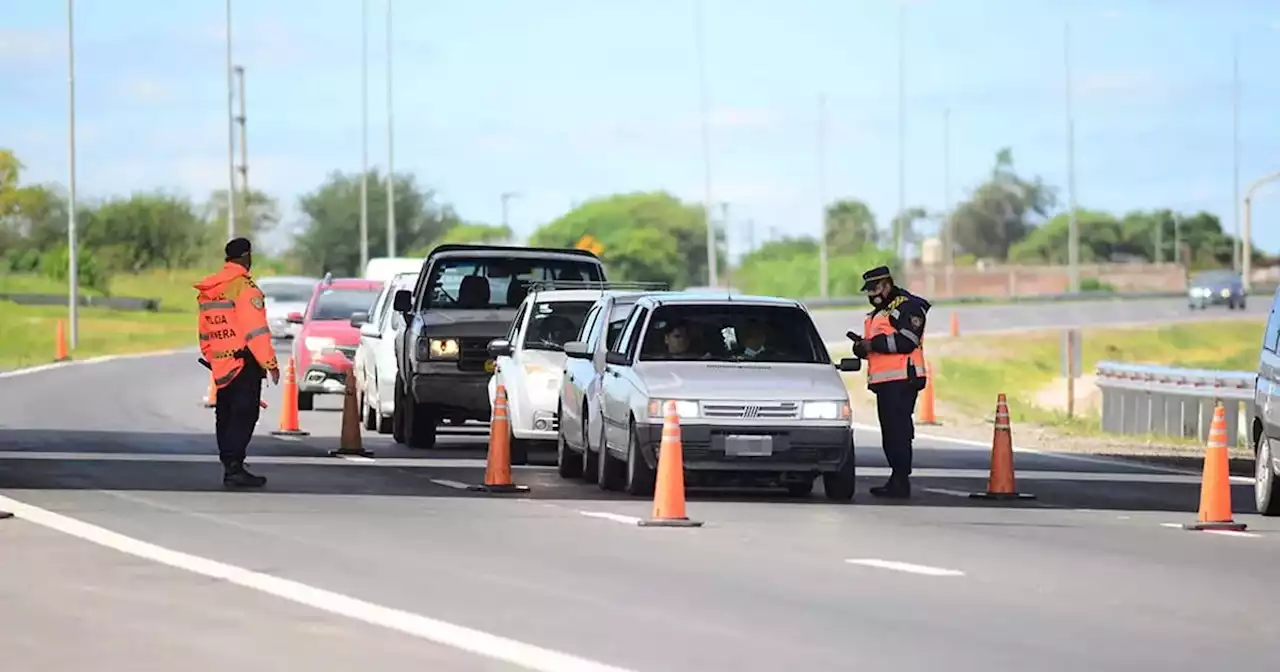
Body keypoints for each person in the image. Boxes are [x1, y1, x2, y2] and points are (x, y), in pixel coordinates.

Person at [194, 237, 281, 488]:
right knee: (244, 414)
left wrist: (212, 355)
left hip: (221, 364)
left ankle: (230, 465)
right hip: (244, 364)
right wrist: (269, 362)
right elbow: (256, 330)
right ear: (245, 257)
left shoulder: (211, 288)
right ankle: (234, 467)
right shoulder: (244, 288)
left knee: (226, 414)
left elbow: (204, 329)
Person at [847, 265, 931, 498]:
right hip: (887, 382)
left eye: (875, 290)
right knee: (891, 432)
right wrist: (862, 347)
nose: (872, 296)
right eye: (869, 292)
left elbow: (907, 340)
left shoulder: (906, 306)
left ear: (887, 285)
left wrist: (873, 344)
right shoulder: (880, 312)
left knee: (898, 432)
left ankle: (900, 480)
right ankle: (897, 478)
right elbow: (877, 344)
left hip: (903, 379)